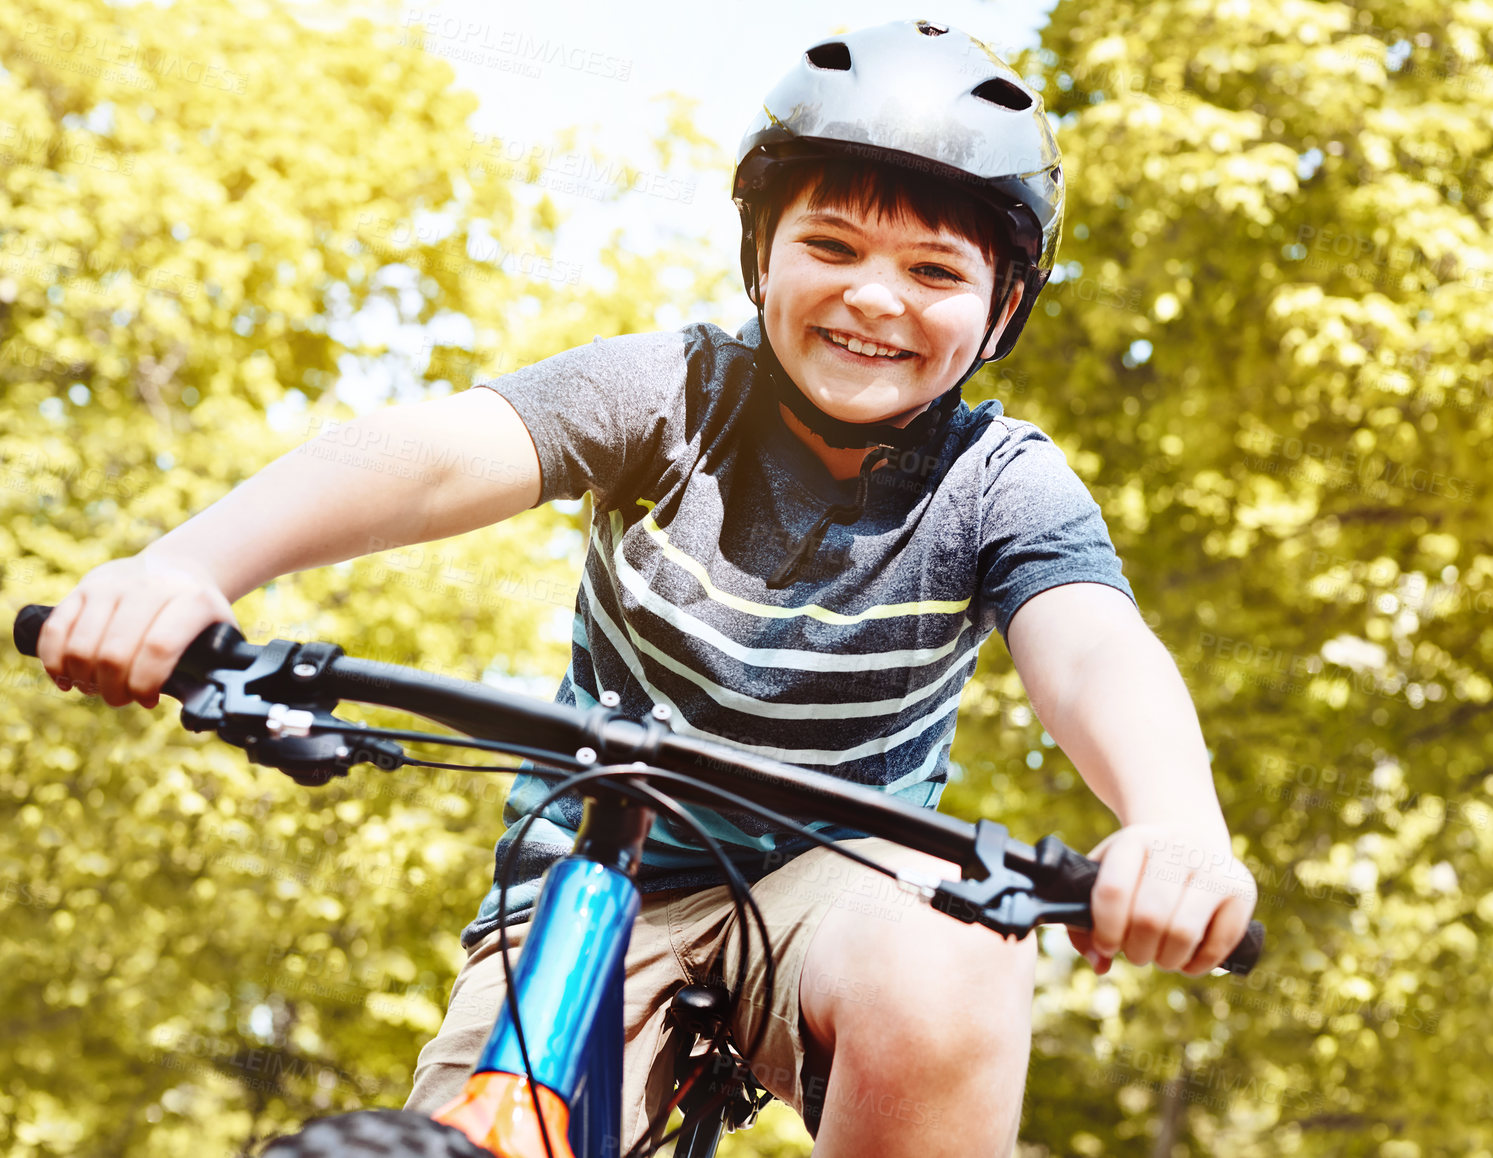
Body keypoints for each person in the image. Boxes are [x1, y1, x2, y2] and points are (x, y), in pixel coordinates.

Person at [34, 20, 1257, 1157]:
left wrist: (1174, 826)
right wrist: (189, 564)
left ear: (1003, 311)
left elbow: (1095, 649)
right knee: (487, 1128)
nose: (875, 296)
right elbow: (427, 456)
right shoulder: (667, 393)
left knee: (958, 948)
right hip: (597, 862)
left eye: (934, 271)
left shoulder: (1000, 484)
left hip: (846, 878)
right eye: (829, 246)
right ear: (759, 261)